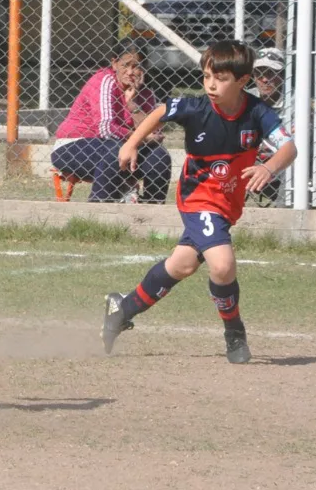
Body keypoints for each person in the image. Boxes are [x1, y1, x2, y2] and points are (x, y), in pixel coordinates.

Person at [102, 41, 297, 364]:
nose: (210, 84)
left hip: (227, 204)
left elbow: (288, 148)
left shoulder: (258, 113)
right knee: (222, 265)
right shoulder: (197, 108)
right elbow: (162, 110)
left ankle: (122, 308)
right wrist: (132, 143)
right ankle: (234, 333)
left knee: (183, 265)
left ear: (242, 81)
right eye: (206, 75)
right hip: (197, 197)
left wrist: (268, 166)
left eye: (219, 78)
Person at [52, 39, 171, 203]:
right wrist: (140, 138)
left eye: (136, 66)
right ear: (114, 63)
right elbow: (106, 128)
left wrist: (132, 104)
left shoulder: (145, 93)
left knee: (160, 156)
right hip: (75, 146)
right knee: (116, 150)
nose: (130, 72)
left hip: (121, 148)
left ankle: (150, 211)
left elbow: (155, 133)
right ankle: (98, 209)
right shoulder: (105, 81)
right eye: (125, 65)